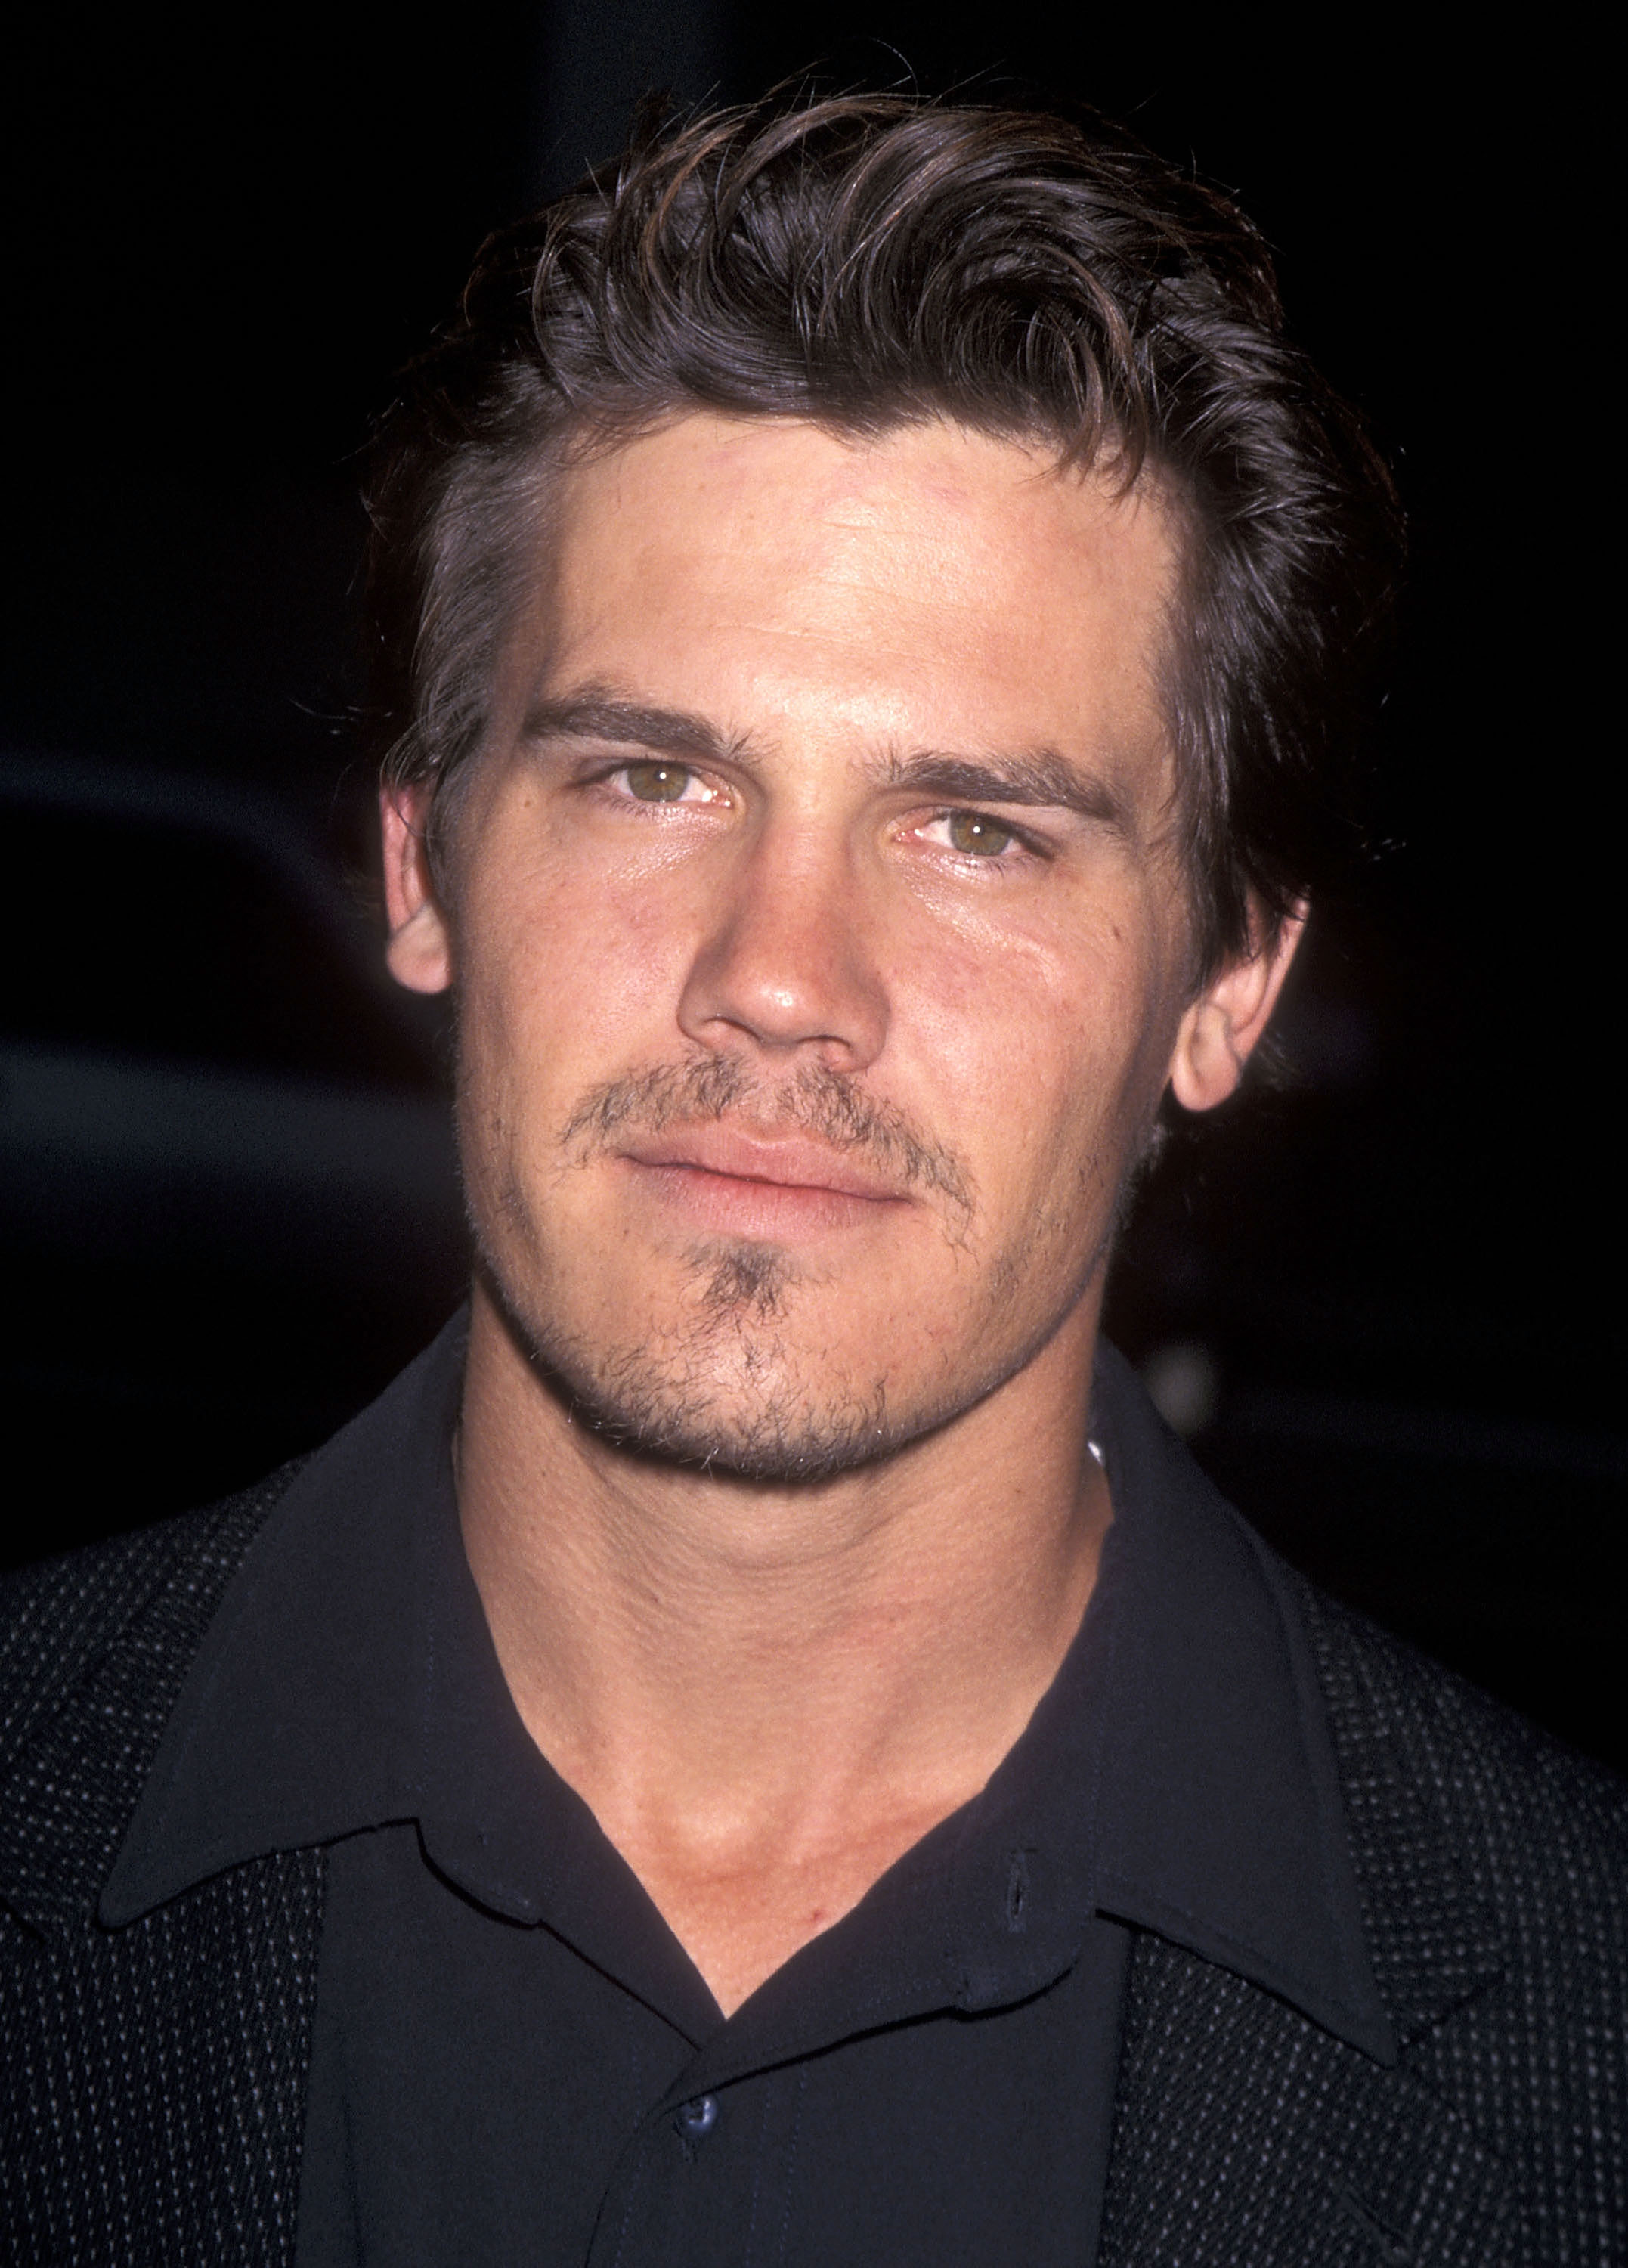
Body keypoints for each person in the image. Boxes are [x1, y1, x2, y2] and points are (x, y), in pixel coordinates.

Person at [2, 93, 1621, 2268]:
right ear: (421, 866)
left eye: (975, 830)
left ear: (1224, 988)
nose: (777, 981)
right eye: (651, 778)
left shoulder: (1575, 2038)